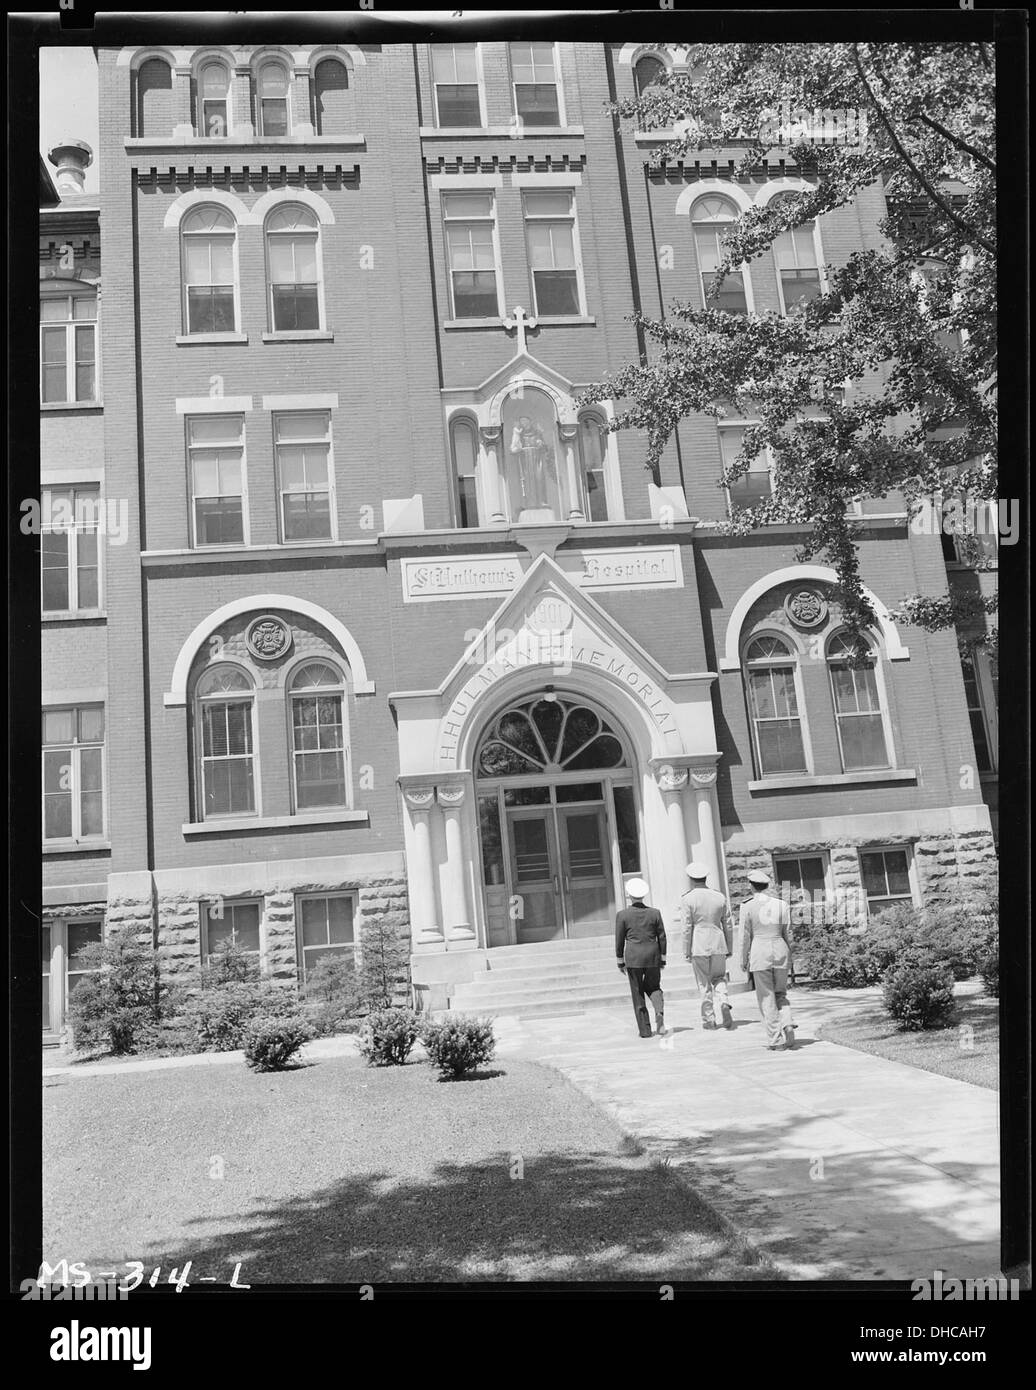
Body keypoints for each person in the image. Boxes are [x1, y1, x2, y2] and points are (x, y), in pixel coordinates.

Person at [739, 869, 796, 1050]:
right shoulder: (781, 904)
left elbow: (744, 937)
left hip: (760, 952)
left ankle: (776, 1039)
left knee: (767, 998)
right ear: (767, 885)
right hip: (780, 950)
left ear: (751, 886)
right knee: (781, 993)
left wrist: (743, 959)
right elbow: (789, 933)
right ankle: (787, 1022)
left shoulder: (747, 906)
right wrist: (790, 954)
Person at [682, 862, 733, 1031]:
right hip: (718, 941)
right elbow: (728, 924)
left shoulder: (688, 898)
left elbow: (686, 927)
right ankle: (724, 1001)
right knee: (719, 977)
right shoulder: (719, 896)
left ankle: (709, 1019)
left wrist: (686, 949)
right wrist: (729, 945)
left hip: (699, 943)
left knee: (703, 983)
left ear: (691, 879)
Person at [615, 878, 667, 1038]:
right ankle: (659, 1012)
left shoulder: (622, 915)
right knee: (654, 987)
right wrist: (663, 958)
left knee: (637, 993)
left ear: (628, 895)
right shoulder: (655, 913)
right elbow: (662, 937)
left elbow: (619, 938)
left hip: (633, 957)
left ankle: (645, 1030)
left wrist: (619, 960)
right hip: (652, 956)